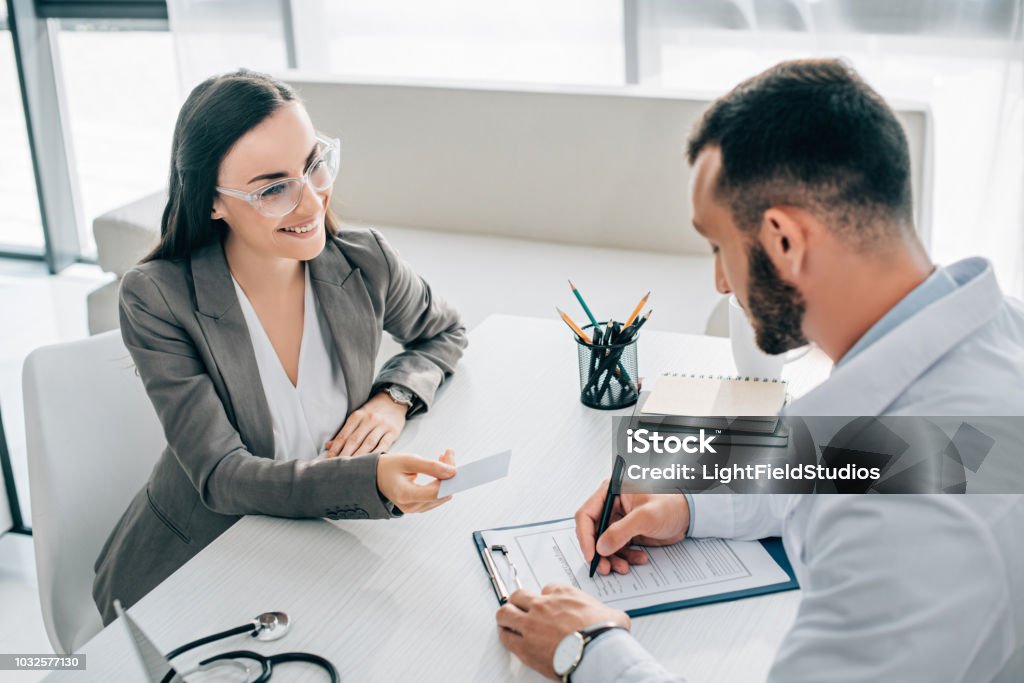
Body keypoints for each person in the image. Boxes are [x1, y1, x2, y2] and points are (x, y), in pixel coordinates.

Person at [495, 59, 1024, 681]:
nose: (720, 279)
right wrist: (688, 504)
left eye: (719, 245)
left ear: (783, 240)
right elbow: (886, 458)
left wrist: (587, 650)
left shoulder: (899, 531)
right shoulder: (987, 348)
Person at [93, 70, 467, 624]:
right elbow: (222, 475)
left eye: (314, 164)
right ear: (213, 202)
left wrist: (393, 396)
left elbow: (444, 332)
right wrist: (370, 482)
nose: (311, 200)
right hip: (199, 566)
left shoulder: (365, 260)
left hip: (319, 551)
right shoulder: (157, 298)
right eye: (273, 189)